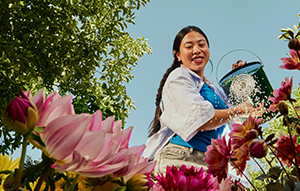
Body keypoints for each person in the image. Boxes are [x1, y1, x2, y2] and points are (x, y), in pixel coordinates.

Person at [143, 25, 265, 174]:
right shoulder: (178, 77)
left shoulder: (211, 89)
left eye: (202, 45)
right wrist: (236, 111)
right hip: (182, 157)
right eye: (189, 46)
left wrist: (238, 79)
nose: (197, 50)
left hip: (209, 162)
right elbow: (202, 120)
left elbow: (238, 114)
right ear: (178, 55)